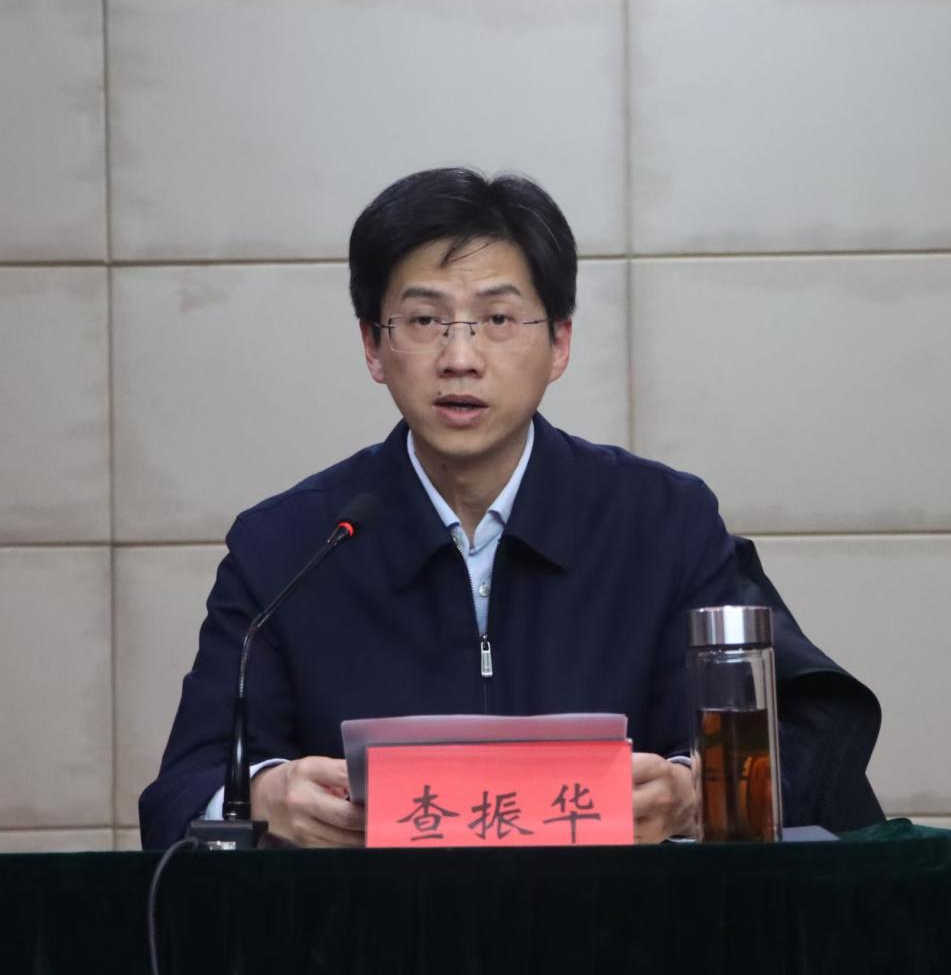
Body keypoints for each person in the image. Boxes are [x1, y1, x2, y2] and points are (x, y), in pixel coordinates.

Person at [140, 168, 882, 849]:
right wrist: (260, 797)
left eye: (498, 319)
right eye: (424, 320)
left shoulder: (663, 523)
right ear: (373, 346)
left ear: (559, 343)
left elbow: (802, 755)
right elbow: (178, 795)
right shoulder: (288, 546)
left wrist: (695, 795)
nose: (460, 358)